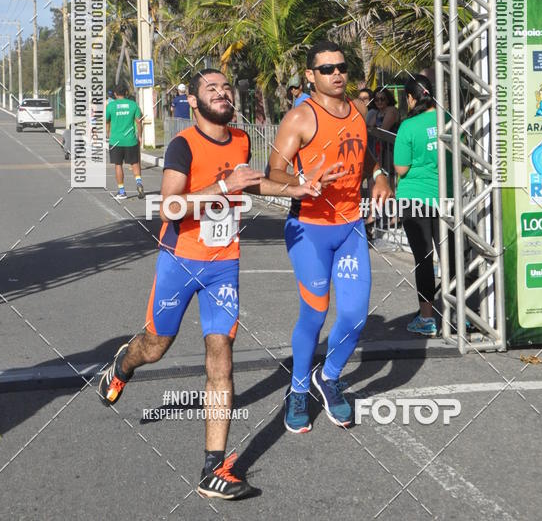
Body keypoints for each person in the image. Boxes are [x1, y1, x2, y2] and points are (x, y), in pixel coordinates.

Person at [98, 69, 318, 500]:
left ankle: (212, 469)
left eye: (226, 88)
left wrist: (298, 188)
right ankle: (124, 362)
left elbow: (253, 181)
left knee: (221, 356)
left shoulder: (240, 140)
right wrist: (221, 185)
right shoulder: (182, 145)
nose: (222, 93)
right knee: (156, 347)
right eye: (210, 89)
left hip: (224, 265)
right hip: (180, 260)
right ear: (194, 103)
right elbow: (170, 207)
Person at [268, 41, 393, 433]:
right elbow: (273, 173)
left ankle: (330, 376)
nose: (336, 74)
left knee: (355, 317)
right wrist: (305, 181)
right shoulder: (300, 117)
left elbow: (365, 153)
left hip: (351, 226)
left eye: (341, 67)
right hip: (309, 228)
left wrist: (378, 175)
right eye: (326, 69)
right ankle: (298, 389)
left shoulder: (356, 111)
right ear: (310, 75)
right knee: (316, 312)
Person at [394, 75, 454, 337]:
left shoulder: (408, 126)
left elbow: (401, 168)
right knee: (450, 258)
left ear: (410, 97)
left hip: (414, 199)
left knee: (424, 259)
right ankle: (458, 316)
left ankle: (427, 318)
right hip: (446, 199)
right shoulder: (449, 120)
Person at [106, 83, 144, 200]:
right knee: (134, 163)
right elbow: (139, 121)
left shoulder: (111, 106)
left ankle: (122, 191)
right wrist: (140, 136)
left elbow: (107, 122)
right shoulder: (133, 105)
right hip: (130, 139)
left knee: (118, 165)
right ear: (126, 93)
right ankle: (138, 182)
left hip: (116, 140)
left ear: (115, 94)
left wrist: (108, 134)